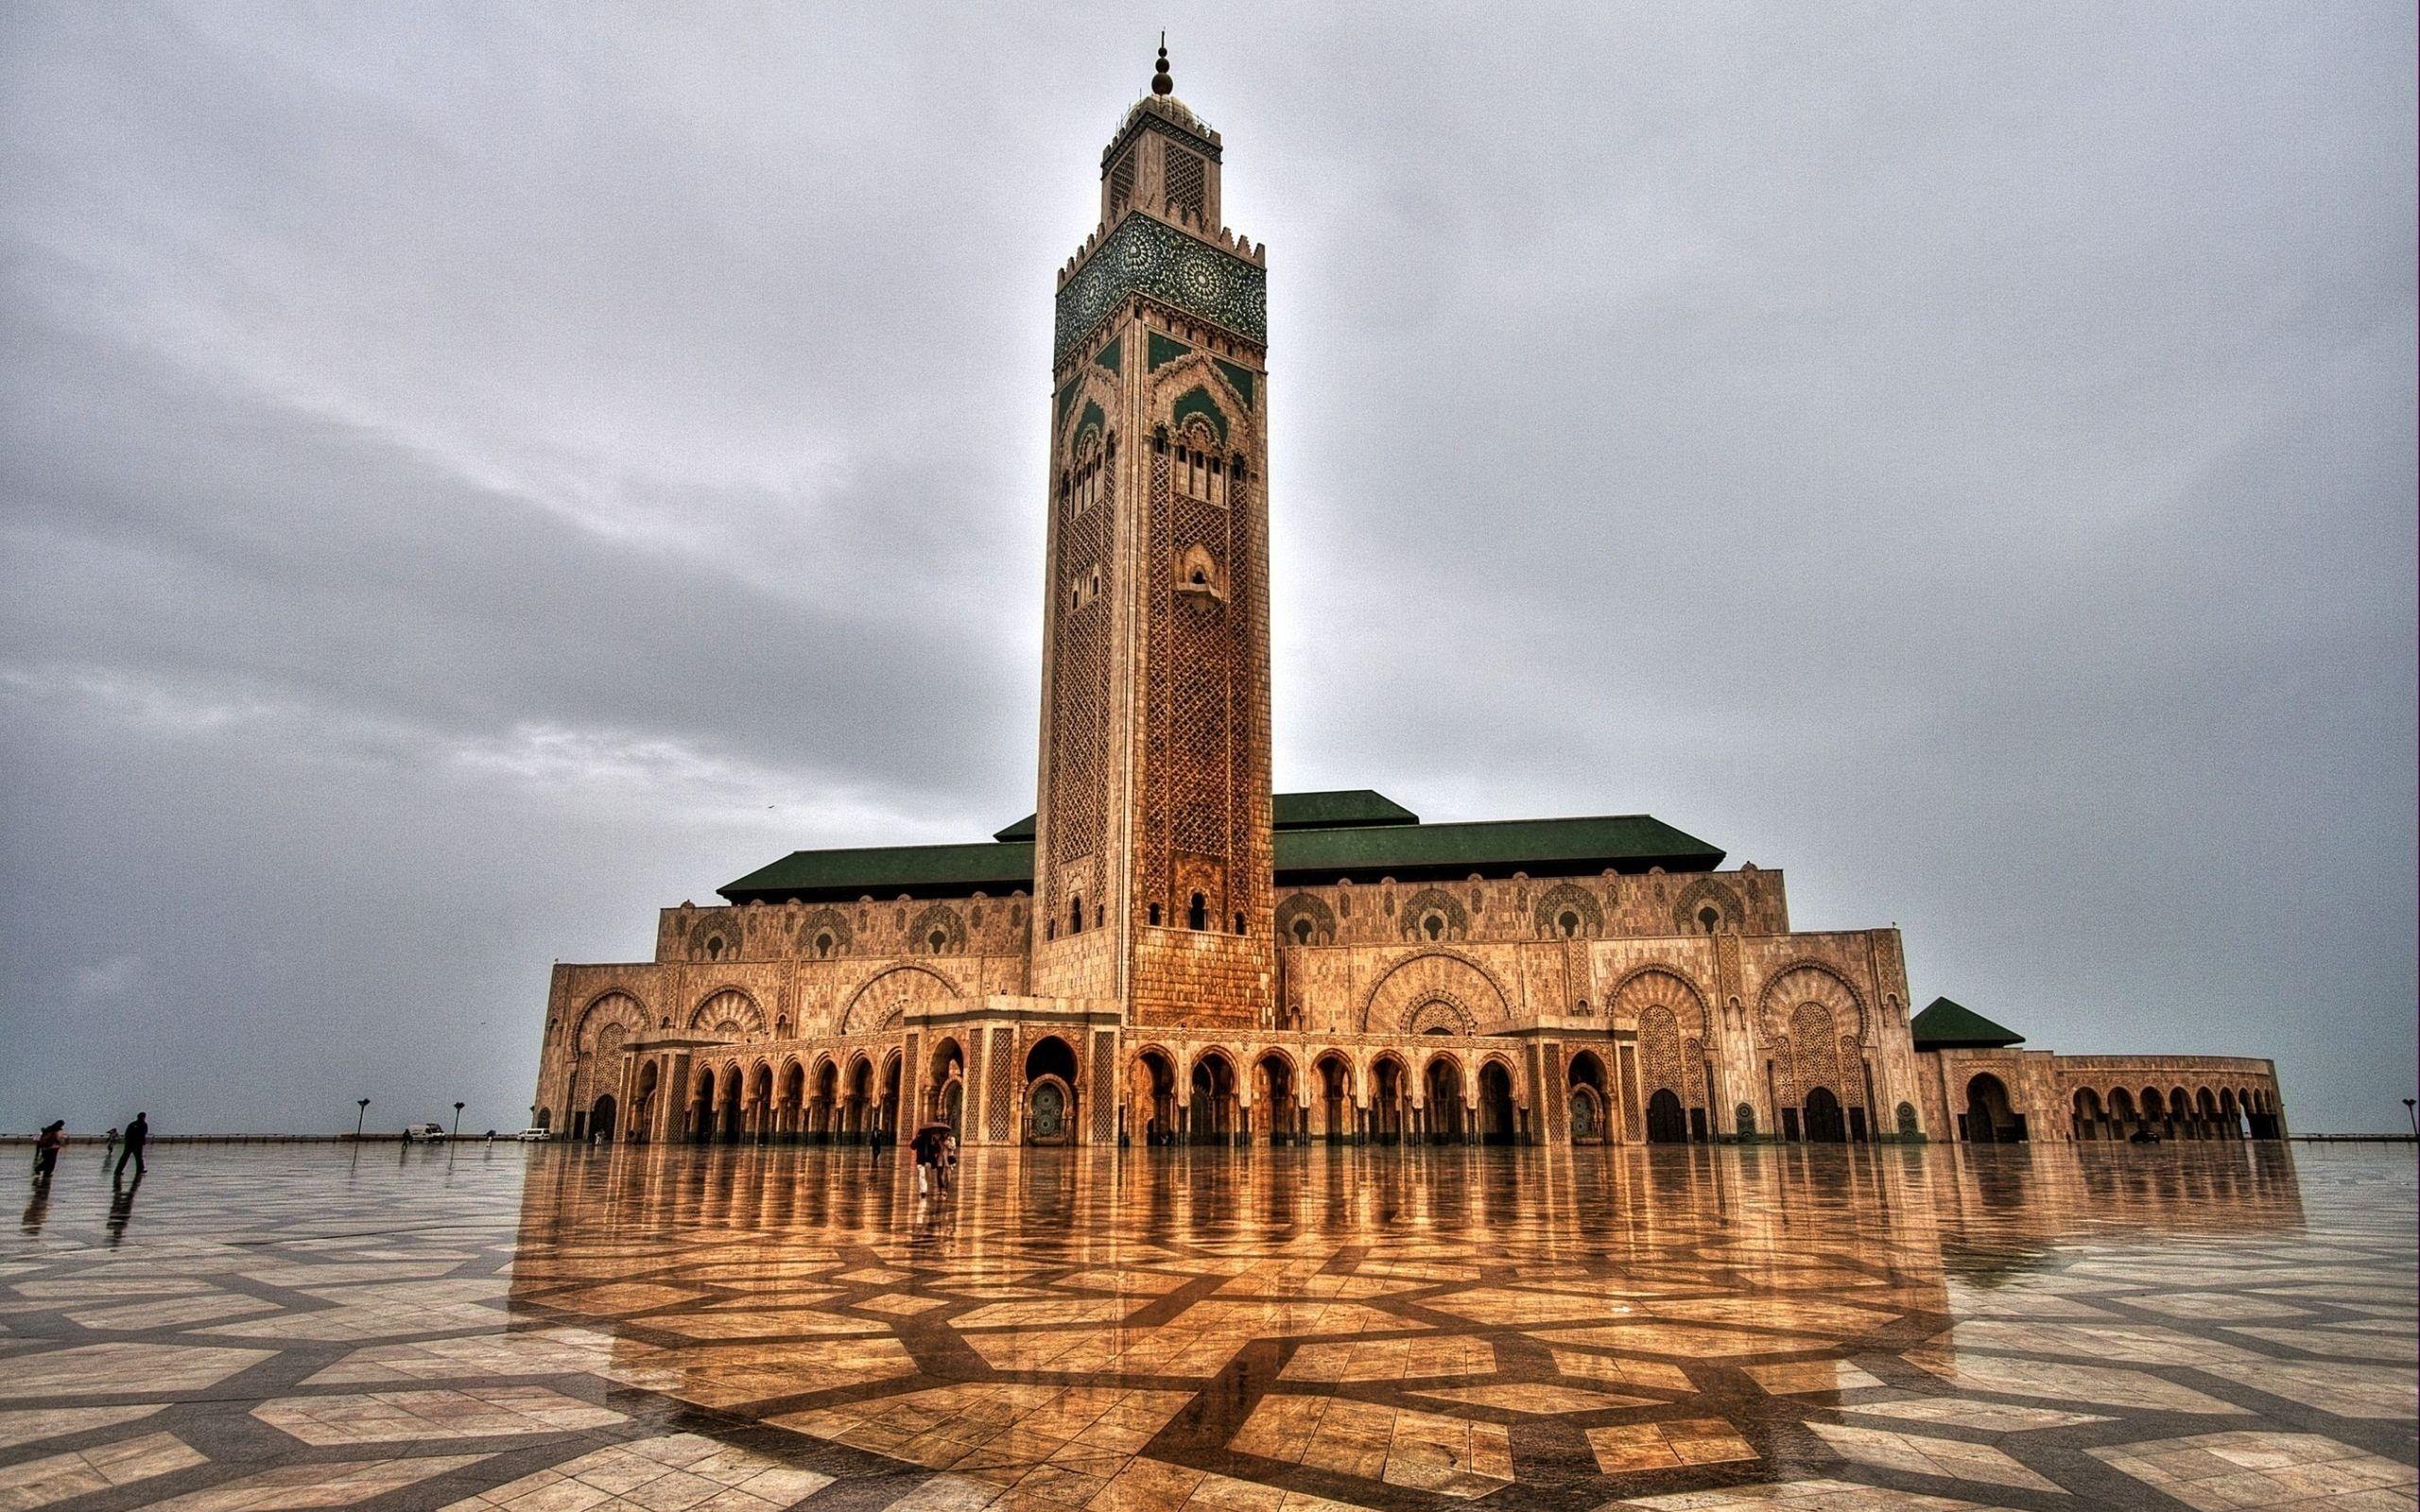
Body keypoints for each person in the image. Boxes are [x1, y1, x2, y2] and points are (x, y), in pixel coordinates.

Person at [114, 1112, 147, 1182]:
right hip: (138, 1144)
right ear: (144, 1117)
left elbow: (127, 1134)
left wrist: (127, 1142)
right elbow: (143, 1134)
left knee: (124, 1157)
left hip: (129, 1144)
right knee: (138, 1158)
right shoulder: (144, 1124)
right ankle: (140, 1170)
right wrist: (143, 1142)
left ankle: (118, 1170)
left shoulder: (132, 1124)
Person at [31, 1122, 64, 1186]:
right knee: (51, 1162)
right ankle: (41, 1171)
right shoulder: (57, 1131)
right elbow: (59, 1139)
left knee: (48, 1161)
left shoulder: (48, 1129)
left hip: (46, 1149)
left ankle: (44, 1172)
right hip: (53, 1148)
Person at [911, 1124, 940, 1195]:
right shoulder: (919, 1139)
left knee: (927, 1176)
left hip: (929, 1161)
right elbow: (912, 1146)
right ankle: (923, 1190)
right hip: (921, 1161)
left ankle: (924, 1187)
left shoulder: (933, 1139)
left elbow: (938, 1149)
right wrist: (917, 1138)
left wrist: (934, 1145)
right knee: (922, 1175)